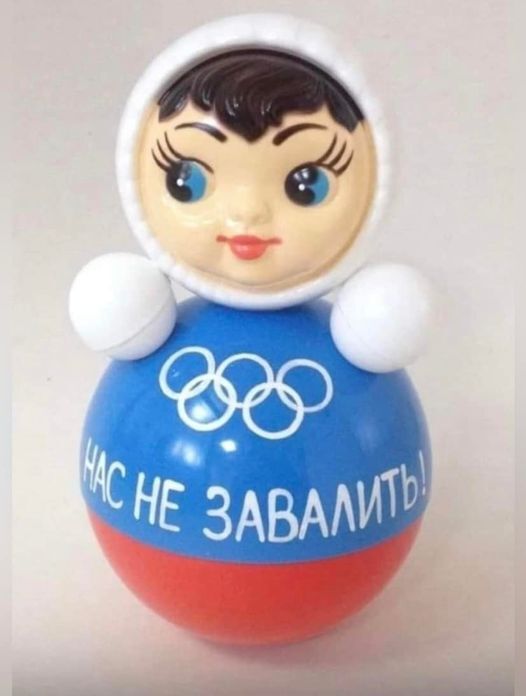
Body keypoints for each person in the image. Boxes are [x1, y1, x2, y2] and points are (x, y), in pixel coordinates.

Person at [69, 14, 433, 372]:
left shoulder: (362, 336)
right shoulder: (143, 324)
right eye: (187, 181)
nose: (247, 211)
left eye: (306, 185)